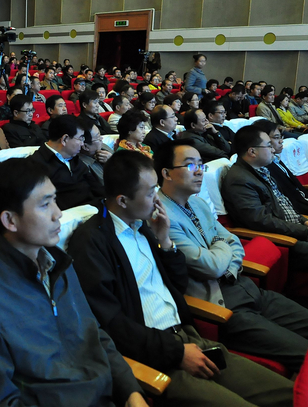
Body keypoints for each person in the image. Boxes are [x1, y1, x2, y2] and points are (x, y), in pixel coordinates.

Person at [68, 150, 295, 407]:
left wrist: (164, 241)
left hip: (188, 337)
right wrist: (176, 353)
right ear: (122, 200)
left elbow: (178, 284)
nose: (157, 199)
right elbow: (112, 323)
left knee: (290, 394)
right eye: (150, 192)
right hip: (156, 357)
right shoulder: (92, 242)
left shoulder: (143, 226)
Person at [0, 158, 147, 407]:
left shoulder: (58, 262)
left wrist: (130, 391)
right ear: (10, 220)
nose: (58, 213)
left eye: (54, 199)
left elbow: (94, 334)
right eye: (45, 205)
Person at [155, 140, 308, 373]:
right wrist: (222, 246)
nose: (199, 171)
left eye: (201, 165)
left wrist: (222, 251)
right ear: (166, 173)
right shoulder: (162, 218)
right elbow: (210, 266)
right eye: (190, 165)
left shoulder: (198, 203)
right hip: (223, 305)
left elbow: (234, 242)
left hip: (247, 287)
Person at [222, 126, 308, 278]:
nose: (273, 149)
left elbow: (283, 203)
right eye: (268, 145)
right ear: (252, 151)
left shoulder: (261, 170)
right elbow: (260, 221)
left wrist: (304, 221)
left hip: (297, 229)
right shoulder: (240, 180)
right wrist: (303, 231)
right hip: (286, 240)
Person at [29, 115, 103, 210]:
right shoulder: (35, 165)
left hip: (96, 210)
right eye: (80, 138)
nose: (82, 143)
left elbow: (97, 188)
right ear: (65, 139)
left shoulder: (75, 159)